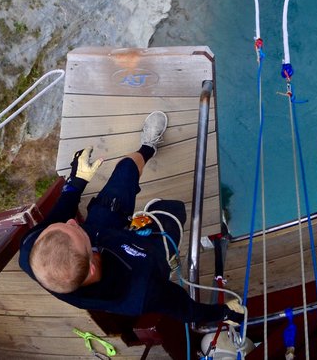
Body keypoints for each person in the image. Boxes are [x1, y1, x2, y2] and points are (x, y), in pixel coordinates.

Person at [19, 111, 242, 325]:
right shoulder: (142, 292)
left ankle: (148, 147)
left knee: (126, 168)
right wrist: (225, 313)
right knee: (172, 210)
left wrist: (76, 182)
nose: (72, 221)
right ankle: (169, 257)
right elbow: (186, 310)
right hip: (144, 258)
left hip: (99, 233)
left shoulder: (32, 251)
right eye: (75, 228)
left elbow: (57, 220)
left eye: (64, 225)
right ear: (92, 268)